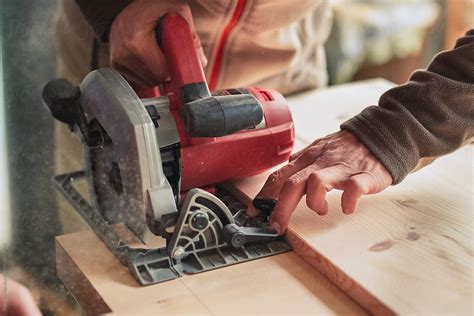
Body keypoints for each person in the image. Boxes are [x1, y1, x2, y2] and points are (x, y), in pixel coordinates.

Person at [56, 0, 473, 234]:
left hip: (282, 69)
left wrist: (402, 128)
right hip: (119, 72)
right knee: (98, 266)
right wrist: (113, 5)